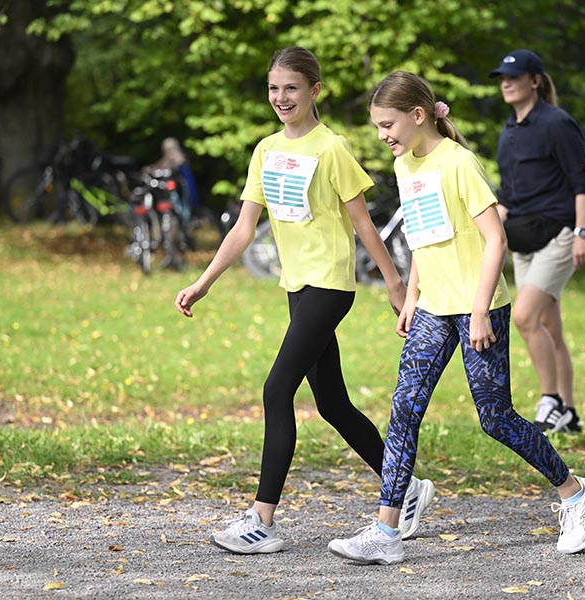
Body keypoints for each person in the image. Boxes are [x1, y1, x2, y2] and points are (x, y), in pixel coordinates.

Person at [327, 71, 585, 565]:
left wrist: (480, 312)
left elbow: (495, 239)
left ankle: (576, 495)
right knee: (403, 410)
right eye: (376, 127)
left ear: (418, 116)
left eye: (387, 124)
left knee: (495, 418)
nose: (382, 135)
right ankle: (386, 531)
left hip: (480, 307)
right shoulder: (404, 165)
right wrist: (412, 294)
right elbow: (421, 236)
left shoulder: (458, 163)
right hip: (433, 306)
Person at [174, 47, 434, 555]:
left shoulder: (331, 148)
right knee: (333, 402)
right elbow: (245, 228)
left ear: (314, 90)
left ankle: (263, 520)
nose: (280, 97)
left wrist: (397, 284)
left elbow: (364, 224)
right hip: (296, 287)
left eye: (291, 87)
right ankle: (404, 487)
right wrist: (204, 281)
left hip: (330, 286)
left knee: (277, 391)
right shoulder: (266, 149)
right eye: (273, 88)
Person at [490, 50, 585, 435]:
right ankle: (568, 411)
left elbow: (583, 182)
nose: (506, 82)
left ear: (535, 80)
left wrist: (582, 233)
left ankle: (549, 398)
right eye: (502, 77)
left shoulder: (557, 123)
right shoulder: (510, 130)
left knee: (524, 316)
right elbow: (509, 193)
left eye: (514, 76)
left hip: (559, 234)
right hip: (523, 239)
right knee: (550, 325)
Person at [145, 137, 201, 211]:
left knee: (187, 201)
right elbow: (162, 163)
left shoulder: (176, 155)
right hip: (178, 183)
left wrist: (152, 169)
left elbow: (165, 164)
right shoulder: (172, 155)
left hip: (183, 183)